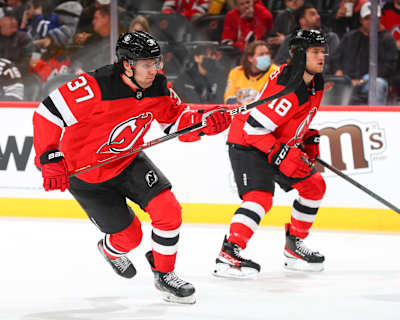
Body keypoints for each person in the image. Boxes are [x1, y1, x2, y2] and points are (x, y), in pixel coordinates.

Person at [32, 31, 231, 304]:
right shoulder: (95, 86)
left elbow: (174, 122)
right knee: (130, 237)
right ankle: (110, 249)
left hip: (128, 160)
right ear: (127, 64)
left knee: (168, 209)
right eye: (147, 64)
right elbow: (47, 114)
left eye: (156, 63)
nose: (154, 70)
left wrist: (203, 123)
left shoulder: (158, 86)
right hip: (86, 174)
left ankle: (164, 274)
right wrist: (50, 157)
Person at [214, 29, 327, 279]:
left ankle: (294, 246)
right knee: (259, 198)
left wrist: (307, 138)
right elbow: (253, 127)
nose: (322, 57)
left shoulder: (315, 81)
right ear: (299, 55)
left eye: (323, 51)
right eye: (315, 52)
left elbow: (293, 119)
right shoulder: (289, 85)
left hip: (273, 142)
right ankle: (229, 253)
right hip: (247, 142)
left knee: (314, 186)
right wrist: (280, 154)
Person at [331, 1, 397, 105]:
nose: (371, 21)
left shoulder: (387, 39)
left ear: (380, 19)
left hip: (370, 82)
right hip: (347, 80)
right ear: (361, 20)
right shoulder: (350, 37)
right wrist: (338, 70)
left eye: (374, 18)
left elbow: (390, 66)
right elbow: (335, 58)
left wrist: (364, 79)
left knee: (378, 84)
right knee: (331, 83)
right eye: (367, 18)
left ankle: (376, 118)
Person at [274, 2, 340, 75]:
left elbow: (331, 65)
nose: (318, 17)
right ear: (302, 21)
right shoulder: (290, 39)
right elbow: (278, 64)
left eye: (317, 14)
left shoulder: (330, 38)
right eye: (312, 14)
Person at [224, 40, 279, 106]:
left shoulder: (276, 72)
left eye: (267, 53)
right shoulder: (236, 72)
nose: (266, 57)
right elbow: (229, 98)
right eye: (261, 54)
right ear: (250, 58)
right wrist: (241, 106)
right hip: (239, 111)